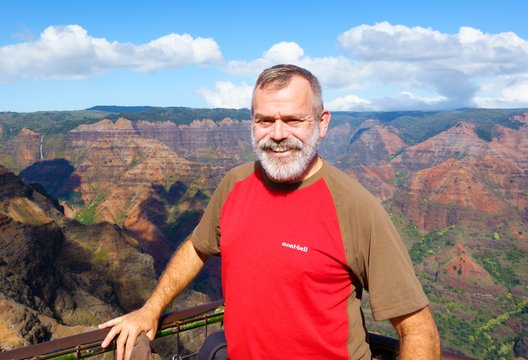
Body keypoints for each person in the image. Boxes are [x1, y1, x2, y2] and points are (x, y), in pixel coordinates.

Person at [99, 64, 441, 359]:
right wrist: (151, 309)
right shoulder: (235, 184)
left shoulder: (355, 207)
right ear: (252, 123)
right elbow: (196, 247)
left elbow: (418, 330)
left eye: (293, 119)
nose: (278, 134)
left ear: (322, 122)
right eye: (265, 120)